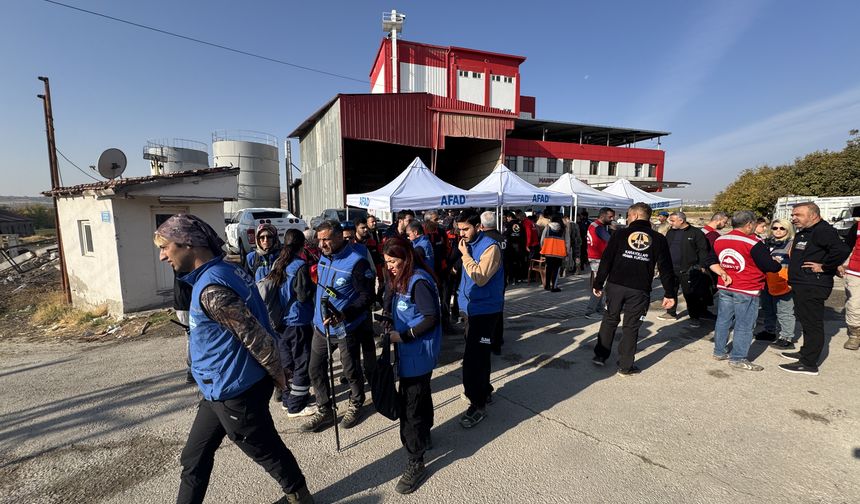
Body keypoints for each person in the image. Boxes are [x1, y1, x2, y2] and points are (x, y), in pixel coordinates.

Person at [154, 214, 313, 504]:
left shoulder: (213, 290)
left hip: (235, 392)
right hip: (217, 389)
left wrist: (280, 378)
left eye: (166, 247)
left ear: (188, 244)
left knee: (265, 450)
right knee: (194, 457)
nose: (163, 255)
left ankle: (299, 495)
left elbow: (256, 337)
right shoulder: (223, 270)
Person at [301, 221, 376, 432]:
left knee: (350, 370)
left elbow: (367, 297)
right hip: (320, 326)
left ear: (339, 237)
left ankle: (356, 402)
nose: (321, 244)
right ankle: (325, 409)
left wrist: (344, 314)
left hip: (346, 327)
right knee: (314, 368)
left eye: (326, 239)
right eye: (320, 239)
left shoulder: (357, 262)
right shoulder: (324, 257)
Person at [381, 237, 442, 494]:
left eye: (393, 261)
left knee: (410, 410)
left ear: (406, 258)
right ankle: (425, 436)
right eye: (386, 262)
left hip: (417, 353)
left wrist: (404, 336)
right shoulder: (402, 280)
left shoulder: (418, 282)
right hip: (411, 354)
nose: (390, 267)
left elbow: (432, 318)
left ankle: (416, 461)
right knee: (420, 397)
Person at [591, 203, 679, 375]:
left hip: (616, 285)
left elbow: (606, 260)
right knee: (631, 326)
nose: (628, 218)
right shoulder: (659, 238)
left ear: (636, 216)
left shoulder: (620, 234)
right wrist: (669, 293)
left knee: (610, 319)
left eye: (629, 215)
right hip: (639, 290)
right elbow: (666, 268)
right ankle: (625, 365)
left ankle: (600, 356)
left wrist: (598, 283)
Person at [779, 203, 851, 375]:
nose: (793, 218)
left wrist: (826, 267)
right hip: (802, 283)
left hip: (813, 284)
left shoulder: (823, 230)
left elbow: (841, 249)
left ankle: (809, 363)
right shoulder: (806, 231)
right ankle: (805, 352)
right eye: (793, 214)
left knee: (813, 323)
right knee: (806, 320)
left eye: (798, 215)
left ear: (813, 215)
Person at [712, 211, 782, 371]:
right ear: (749, 224)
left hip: (725, 285)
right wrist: (776, 263)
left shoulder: (720, 239)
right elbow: (768, 266)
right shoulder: (753, 242)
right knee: (744, 324)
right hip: (747, 287)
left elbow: (713, 259)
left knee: (723, 320)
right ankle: (738, 358)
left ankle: (719, 351)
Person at [456, 211, 504, 428]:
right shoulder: (469, 244)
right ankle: (483, 392)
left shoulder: (490, 247)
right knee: (476, 356)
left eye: (466, 229)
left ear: (478, 226)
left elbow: (480, 277)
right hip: (471, 309)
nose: (462, 233)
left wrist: (465, 256)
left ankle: (478, 404)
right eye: (459, 229)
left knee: (474, 359)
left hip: (485, 311)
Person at [264, 229, 317, 418]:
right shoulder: (299, 265)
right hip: (298, 319)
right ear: (303, 244)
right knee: (302, 361)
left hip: (280, 321)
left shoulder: (279, 262)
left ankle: (289, 399)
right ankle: (296, 405)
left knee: (287, 363)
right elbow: (303, 295)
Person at [659, 211, 713, 326]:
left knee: (690, 294)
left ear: (681, 220)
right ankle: (671, 313)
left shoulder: (696, 233)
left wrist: (701, 266)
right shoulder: (671, 232)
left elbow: (703, 251)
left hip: (688, 269)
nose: (670, 223)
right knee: (670, 291)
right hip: (671, 269)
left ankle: (694, 317)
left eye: (672, 220)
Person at [756, 219, 797, 347]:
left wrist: (792, 282)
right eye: (775, 228)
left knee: (784, 311)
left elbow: (796, 265)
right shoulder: (766, 243)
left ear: (788, 229)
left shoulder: (792, 245)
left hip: (783, 283)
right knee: (768, 309)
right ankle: (770, 331)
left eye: (782, 228)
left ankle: (786, 337)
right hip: (767, 282)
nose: (778, 231)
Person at [480, 211, 507, 355]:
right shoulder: (502, 238)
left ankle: (489, 340)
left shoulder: (483, 240)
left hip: (487, 280)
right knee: (499, 310)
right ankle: (498, 340)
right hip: (502, 279)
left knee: (486, 312)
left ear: (482, 225)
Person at [584, 207, 615, 319]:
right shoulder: (599, 228)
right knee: (599, 285)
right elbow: (611, 240)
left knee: (600, 283)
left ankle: (598, 308)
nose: (612, 219)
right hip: (598, 259)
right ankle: (590, 311)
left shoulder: (594, 225)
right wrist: (614, 230)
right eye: (610, 216)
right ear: (602, 216)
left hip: (595, 258)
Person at [837, 206, 860, 350]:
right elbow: (846, 246)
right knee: (854, 305)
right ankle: (855, 335)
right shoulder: (856, 227)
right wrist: (839, 263)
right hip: (856, 272)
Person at [540, 213, 568, 292]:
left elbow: (542, 239)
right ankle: (554, 286)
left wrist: (543, 248)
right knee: (556, 269)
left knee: (548, 268)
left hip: (548, 251)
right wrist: (567, 251)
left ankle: (547, 285)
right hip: (559, 253)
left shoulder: (547, 227)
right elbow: (567, 242)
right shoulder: (563, 228)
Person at [503, 211, 527, 284]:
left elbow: (505, 235)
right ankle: (519, 278)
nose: (507, 219)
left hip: (511, 247)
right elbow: (524, 236)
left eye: (507, 218)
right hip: (520, 246)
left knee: (511, 263)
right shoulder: (520, 224)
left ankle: (511, 279)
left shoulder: (508, 225)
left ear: (510, 217)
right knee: (519, 263)